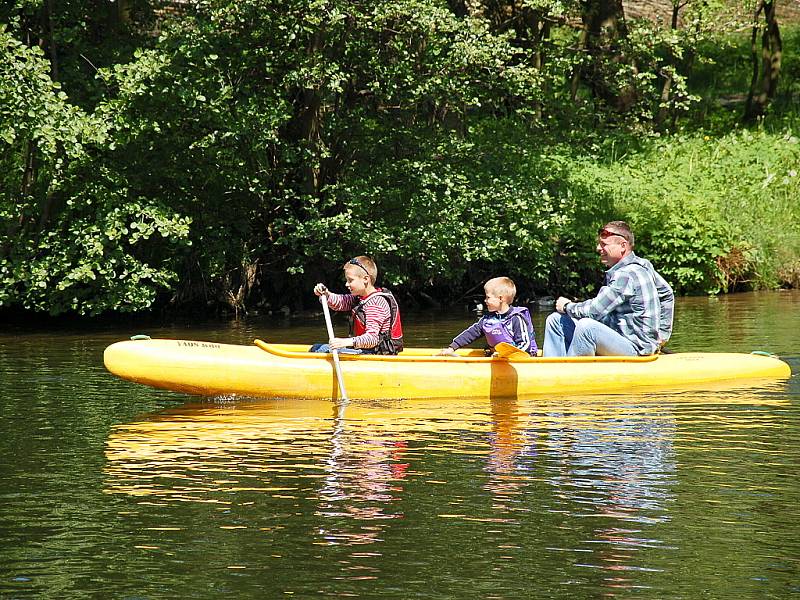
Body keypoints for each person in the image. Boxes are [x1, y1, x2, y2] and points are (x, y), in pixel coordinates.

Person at [543, 221, 674, 357]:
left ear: (623, 246)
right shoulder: (643, 264)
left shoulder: (625, 274)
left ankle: (572, 375)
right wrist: (663, 334)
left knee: (587, 327)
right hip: (619, 337)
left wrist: (567, 306)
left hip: (636, 348)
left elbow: (593, 312)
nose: (598, 248)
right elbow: (667, 293)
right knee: (556, 320)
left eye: (604, 244)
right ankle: (553, 370)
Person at [312, 255, 404, 355]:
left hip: (376, 353)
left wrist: (345, 342)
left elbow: (372, 339)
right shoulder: (360, 297)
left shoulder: (376, 303)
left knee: (318, 349)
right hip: (366, 350)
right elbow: (340, 303)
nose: (346, 284)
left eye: (350, 280)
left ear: (365, 279)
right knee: (318, 347)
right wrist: (326, 294)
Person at [437, 277, 537, 357]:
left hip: (517, 361)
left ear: (501, 298)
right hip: (496, 357)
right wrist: (452, 348)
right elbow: (471, 333)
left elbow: (525, 345)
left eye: (488, 297)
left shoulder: (516, 319)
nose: (485, 300)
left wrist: (505, 355)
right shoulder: (487, 319)